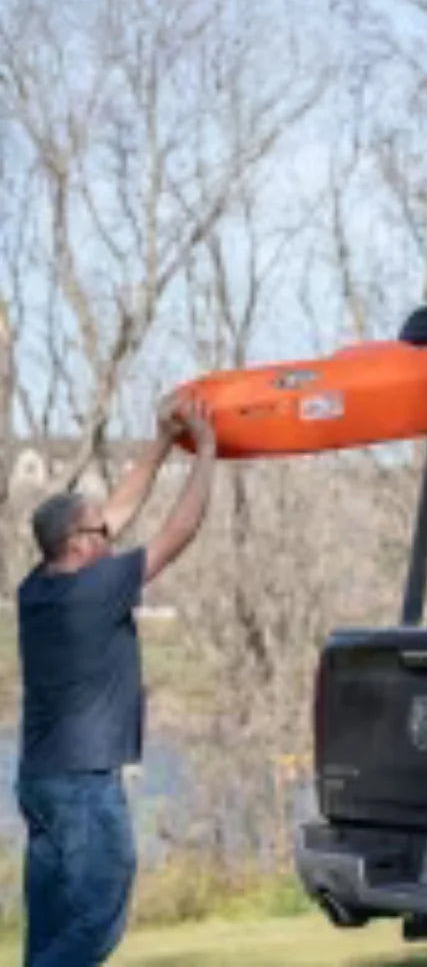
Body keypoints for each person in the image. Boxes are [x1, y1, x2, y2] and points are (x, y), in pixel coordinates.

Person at [15, 397, 216, 966]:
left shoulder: (39, 587)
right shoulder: (94, 590)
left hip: (41, 782)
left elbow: (119, 511)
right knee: (96, 919)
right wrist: (205, 451)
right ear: (80, 544)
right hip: (82, 786)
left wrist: (159, 443)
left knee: (51, 926)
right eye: (98, 528)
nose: (110, 529)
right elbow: (179, 531)